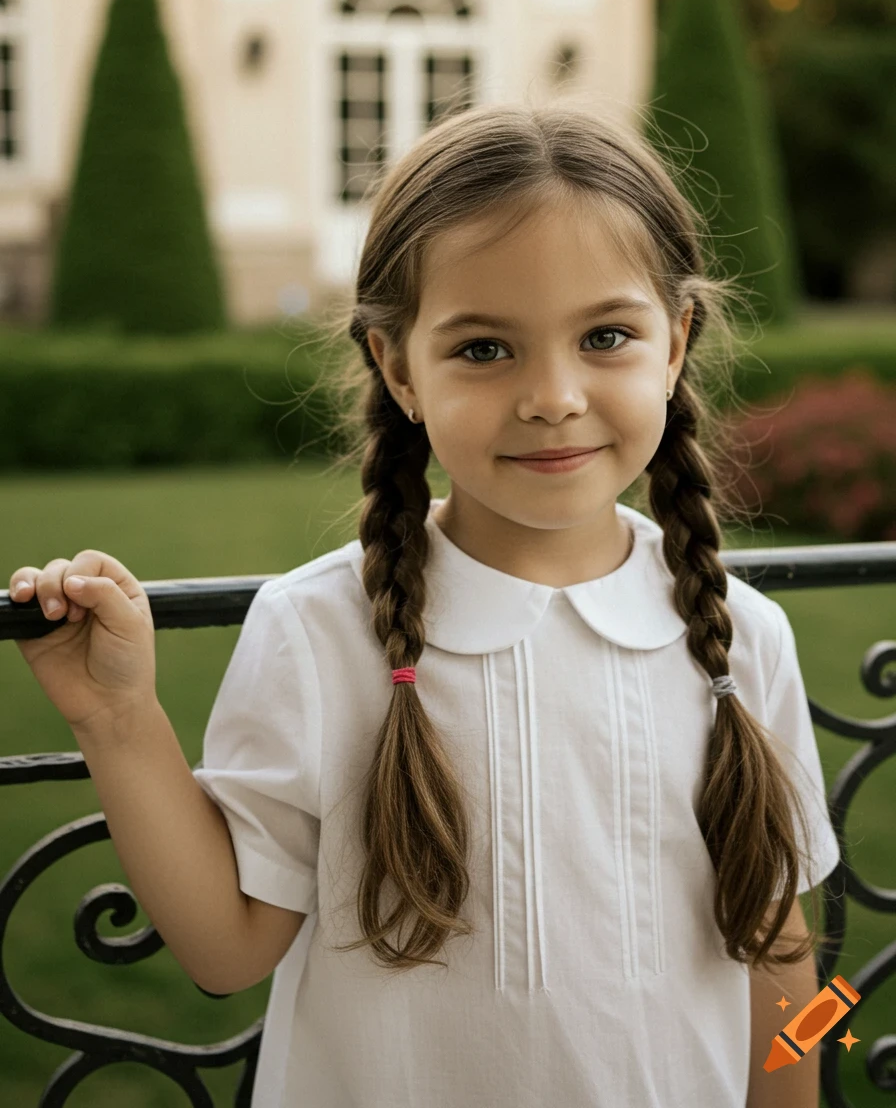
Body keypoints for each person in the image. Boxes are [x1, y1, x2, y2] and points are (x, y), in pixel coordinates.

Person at [8, 104, 842, 1108]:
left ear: (675, 344)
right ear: (397, 366)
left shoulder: (743, 638)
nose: (551, 395)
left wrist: (794, 1084)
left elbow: (782, 948)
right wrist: (117, 716)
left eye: (606, 335)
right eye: (484, 348)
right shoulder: (317, 630)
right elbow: (227, 948)